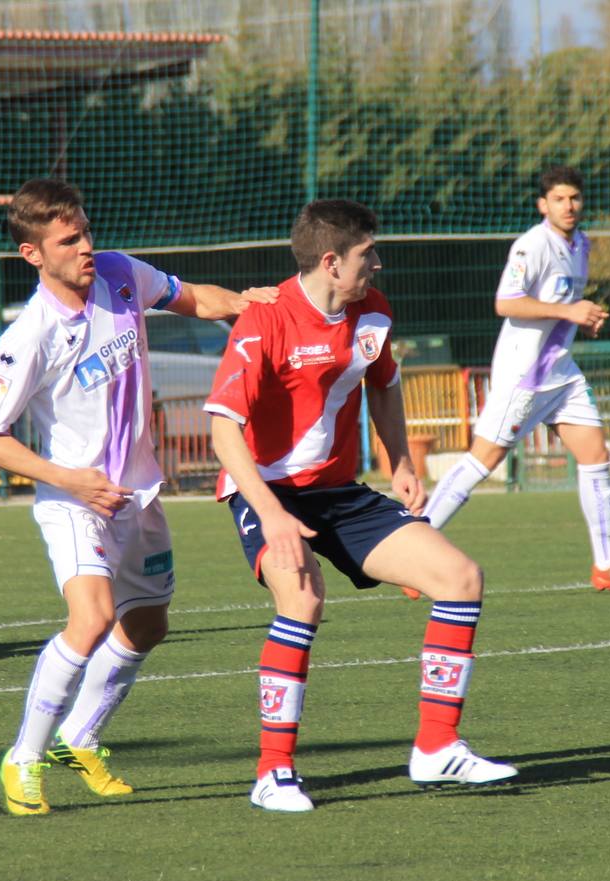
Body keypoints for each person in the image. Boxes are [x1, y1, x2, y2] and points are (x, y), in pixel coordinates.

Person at [0, 178, 276, 817]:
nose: (87, 245)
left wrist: (253, 305)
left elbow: (195, 299)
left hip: (138, 494)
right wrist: (68, 477)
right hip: (75, 500)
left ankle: (79, 736)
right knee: (92, 619)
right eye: (69, 239)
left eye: (85, 230)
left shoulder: (120, 273)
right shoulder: (29, 335)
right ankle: (23, 758)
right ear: (34, 255)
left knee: (148, 624)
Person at [206, 199, 517, 813]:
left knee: (460, 578)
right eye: (366, 254)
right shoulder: (265, 320)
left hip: (340, 494)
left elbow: (385, 385)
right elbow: (222, 428)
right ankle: (273, 773)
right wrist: (270, 513)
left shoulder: (371, 310)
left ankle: (437, 747)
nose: (377, 262)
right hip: (265, 490)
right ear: (331, 262)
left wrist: (399, 461)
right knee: (303, 598)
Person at [421, 165, 610, 592]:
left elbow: (560, 303)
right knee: (483, 462)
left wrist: (580, 318)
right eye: (559, 199)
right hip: (524, 377)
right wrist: (569, 311)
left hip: (561, 372)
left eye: (574, 198)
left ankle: (606, 563)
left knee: (596, 455)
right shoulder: (532, 246)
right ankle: (414, 550)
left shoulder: (582, 243)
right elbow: (505, 302)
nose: (569, 206)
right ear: (543, 205)